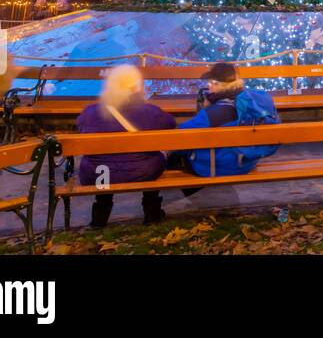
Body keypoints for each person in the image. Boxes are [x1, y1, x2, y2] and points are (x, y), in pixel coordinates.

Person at [75, 64, 175, 229]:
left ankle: (99, 219)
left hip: (101, 175)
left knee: (103, 165)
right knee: (154, 158)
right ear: (136, 86)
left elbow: (79, 126)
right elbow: (170, 123)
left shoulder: (91, 112)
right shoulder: (150, 112)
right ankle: (152, 213)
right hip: (144, 173)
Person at [175, 62, 280, 179]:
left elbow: (179, 135)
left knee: (174, 153)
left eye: (211, 82)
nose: (208, 86)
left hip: (215, 168)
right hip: (246, 164)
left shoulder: (212, 113)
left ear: (219, 84)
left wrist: (206, 109)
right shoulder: (250, 103)